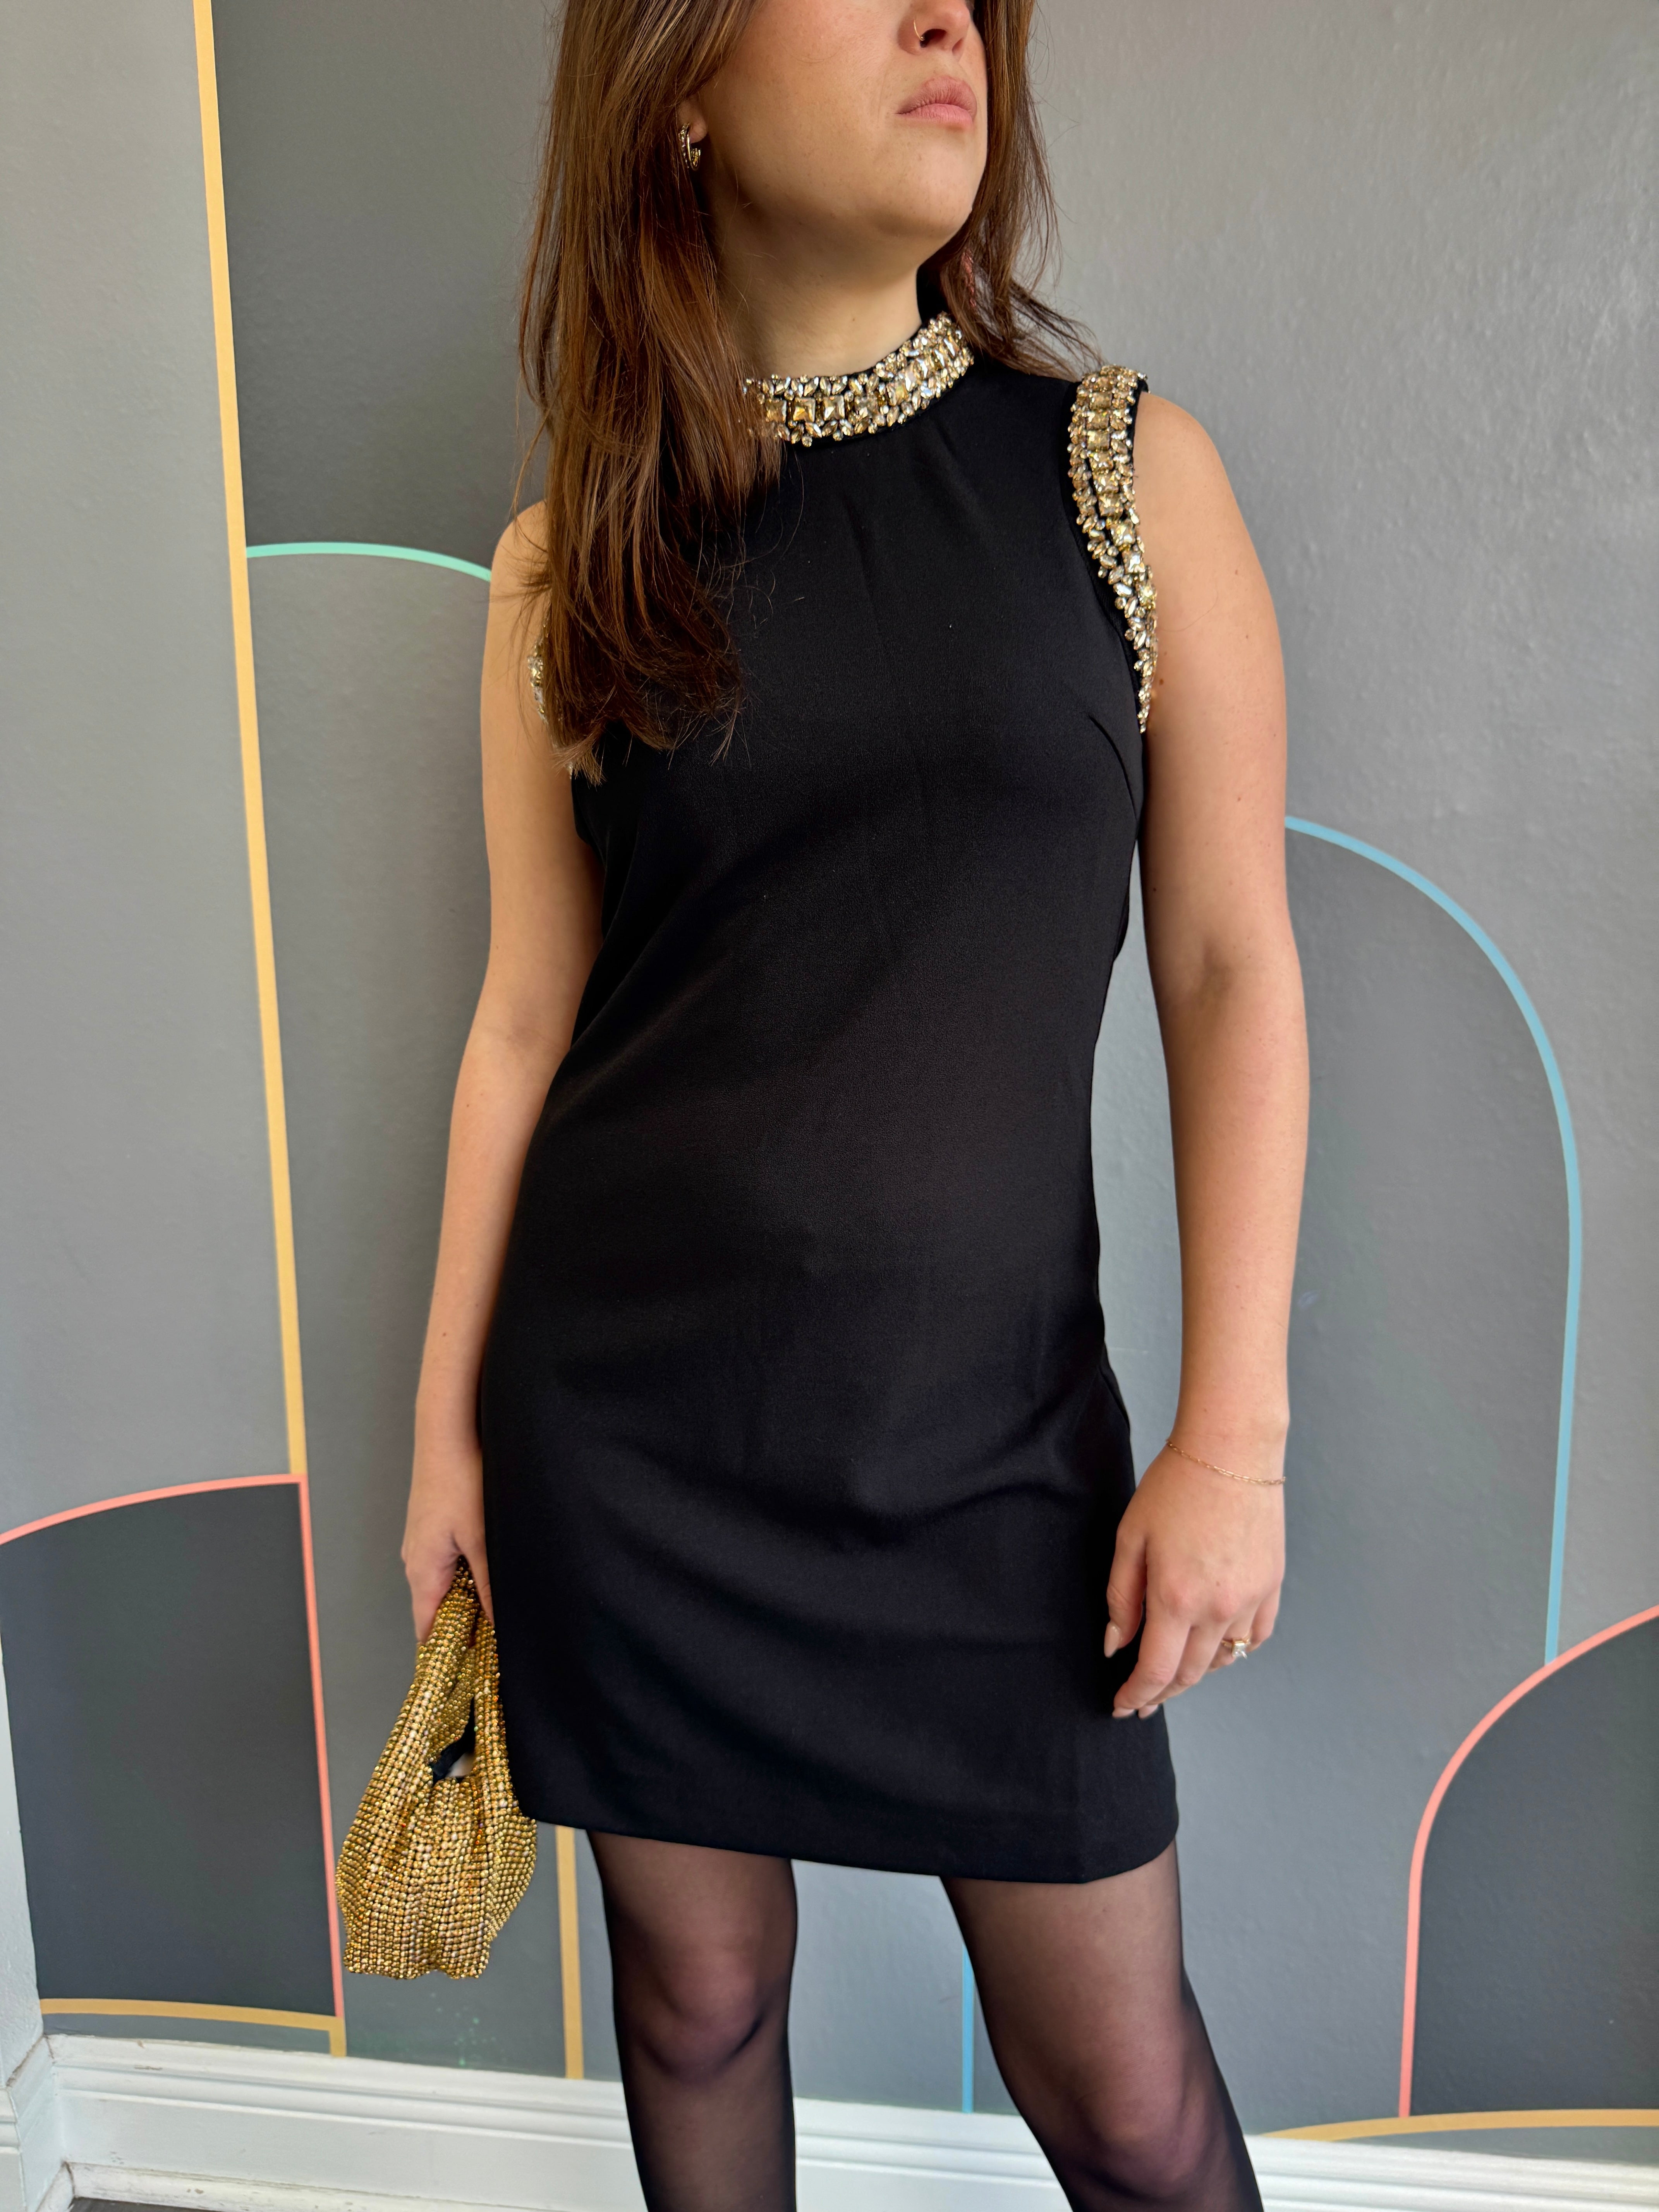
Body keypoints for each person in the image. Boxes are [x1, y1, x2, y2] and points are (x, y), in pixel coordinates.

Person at [402, 1, 1307, 2204]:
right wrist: (443, 1441)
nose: (943, 19)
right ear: (680, 94)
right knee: (696, 2009)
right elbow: (525, 1020)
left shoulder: (1125, 474)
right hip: (632, 1447)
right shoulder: (566, 563)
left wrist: (1235, 1441)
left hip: (995, 1459)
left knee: (1127, 2100)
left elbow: (1229, 967)